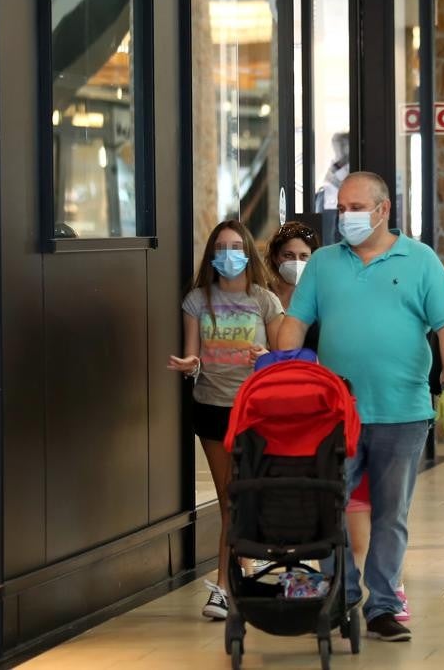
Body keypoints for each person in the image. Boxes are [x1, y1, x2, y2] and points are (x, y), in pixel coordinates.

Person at [276, 171, 444, 643]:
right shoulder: (322, 263)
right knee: (327, 505)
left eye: (355, 208)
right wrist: (280, 366)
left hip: (403, 410)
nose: (346, 217)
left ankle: (382, 605)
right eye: (341, 208)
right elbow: (296, 323)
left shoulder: (420, 260)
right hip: (336, 414)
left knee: (390, 515)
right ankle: (340, 594)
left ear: (383, 210)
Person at [168, 220, 284, 620]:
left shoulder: (266, 301)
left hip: (254, 408)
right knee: (229, 498)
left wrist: (263, 358)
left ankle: (228, 581)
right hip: (212, 408)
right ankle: (236, 573)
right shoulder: (197, 301)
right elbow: (192, 355)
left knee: (241, 496)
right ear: (211, 255)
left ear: (249, 252)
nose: (229, 254)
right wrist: (190, 364)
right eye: (221, 247)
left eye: (236, 246)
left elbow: (282, 357)